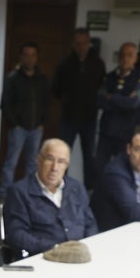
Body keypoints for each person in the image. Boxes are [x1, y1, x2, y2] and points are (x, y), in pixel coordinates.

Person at [2, 139, 97, 258]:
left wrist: (86, 246)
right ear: (38, 159)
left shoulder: (76, 187)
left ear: (67, 165)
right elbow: (17, 235)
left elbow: (90, 223)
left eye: (61, 162)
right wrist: (55, 248)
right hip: (44, 257)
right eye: (50, 159)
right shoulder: (19, 192)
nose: (54, 167)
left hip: (79, 255)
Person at [51, 28, 105, 191]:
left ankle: (89, 192)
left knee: (89, 157)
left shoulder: (98, 63)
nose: (81, 46)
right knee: (62, 155)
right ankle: (60, 188)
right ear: (73, 44)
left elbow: (103, 88)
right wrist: (67, 99)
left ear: (89, 43)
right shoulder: (65, 63)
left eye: (84, 43)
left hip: (89, 118)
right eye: (78, 43)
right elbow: (55, 89)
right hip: (68, 117)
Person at [0, 42, 49, 204]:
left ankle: (28, 194)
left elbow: (46, 102)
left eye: (33, 55)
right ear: (21, 57)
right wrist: (14, 124)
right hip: (18, 128)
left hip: (36, 128)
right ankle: (4, 193)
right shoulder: (13, 78)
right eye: (26, 55)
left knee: (32, 164)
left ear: (37, 57)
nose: (29, 58)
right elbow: (5, 103)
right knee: (11, 162)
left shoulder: (41, 78)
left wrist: (42, 122)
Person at [94, 42, 140, 177]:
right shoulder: (109, 77)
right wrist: (122, 100)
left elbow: (133, 102)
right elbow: (99, 100)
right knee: (100, 168)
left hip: (126, 134)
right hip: (106, 131)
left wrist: (112, 98)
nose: (125, 59)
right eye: (122, 55)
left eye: (129, 55)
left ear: (135, 58)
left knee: (123, 170)